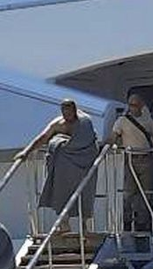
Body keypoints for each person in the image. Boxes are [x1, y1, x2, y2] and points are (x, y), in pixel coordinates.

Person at [21, 100, 99, 234]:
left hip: (84, 162)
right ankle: (64, 224)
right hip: (63, 166)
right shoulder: (58, 124)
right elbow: (43, 137)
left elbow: (89, 142)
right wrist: (26, 152)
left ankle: (85, 226)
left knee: (85, 191)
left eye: (70, 111)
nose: (67, 115)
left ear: (75, 110)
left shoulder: (84, 122)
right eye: (65, 112)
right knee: (61, 191)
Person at [110, 93, 153, 242]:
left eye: (134, 105)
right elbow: (113, 136)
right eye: (130, 105)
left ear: (141, 106)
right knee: (128, 193)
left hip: (146, 160)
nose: (131, 108)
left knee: (146, 193)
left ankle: (142, 223)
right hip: (130, 160)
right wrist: (109, 146)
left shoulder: (147, 121)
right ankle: (126, 222)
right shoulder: (121, 121)